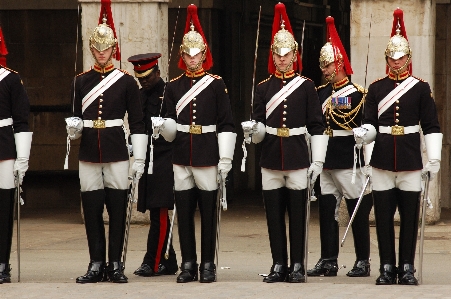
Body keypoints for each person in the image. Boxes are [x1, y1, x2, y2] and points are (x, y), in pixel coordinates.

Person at [353, 8, 442, 285]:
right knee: (382, 218)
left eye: (400, 57)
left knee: (409, 217)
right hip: (381, 160)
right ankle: (387, 267)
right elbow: (370, 123)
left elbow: (431, 125)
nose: (395, 61)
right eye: (391, 57)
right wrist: (363, 135)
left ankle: (407, 267)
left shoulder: (420, 88)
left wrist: (434, 158)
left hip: (410, 160)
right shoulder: (376, 88)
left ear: (409, 57)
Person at [246, 2, 328, 283]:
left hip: (296, 156)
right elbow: (258, 127)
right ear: (273, 56)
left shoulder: (306, 86)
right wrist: (253, 130)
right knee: (273, 217)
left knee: (297, 214)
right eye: (278, 55)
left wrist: (317, 160)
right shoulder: (262, 88)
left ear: (295, 55)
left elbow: (317, 125)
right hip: (270, 157)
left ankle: (297, 264)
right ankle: (278, 263)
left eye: (287, 54)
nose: (282, 59)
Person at [66, 1, 147, 283]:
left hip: (115, 150)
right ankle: (95, 263)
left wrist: (139, 158)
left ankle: (115, 264)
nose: (101, 54)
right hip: (88, 150)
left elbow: (136, 122)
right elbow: (75, 117)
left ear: (114, 49)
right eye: (97, 50)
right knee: (91, 209)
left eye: (106, 49)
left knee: (117, 209)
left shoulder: (126, 82)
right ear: (92, 50)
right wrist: (73, 129)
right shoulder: (81, 81)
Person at [158, 4, 236, 283]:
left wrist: (225, 157)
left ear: (204, 54)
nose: (192, 59)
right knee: (184, 211)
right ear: (182, 56)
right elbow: (169, 125)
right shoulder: (173, 86)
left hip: (206, 152)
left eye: (197, 54)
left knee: (208, 212)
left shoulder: (215, 84)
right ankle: (188, 264)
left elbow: (226, 122)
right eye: (188, 55)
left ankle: (207, 264)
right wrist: (162, 126)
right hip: (181, 154)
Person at [307, 16, 373, 278]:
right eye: (323, 65)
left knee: (356, 211)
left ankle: (362, 261)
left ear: (341, 63)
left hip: (349, 159)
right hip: (326, 158)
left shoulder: (358, 93)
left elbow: (366, 127)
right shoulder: (320, 92)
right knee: (326, 211)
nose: (325, 69)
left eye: (329, 64)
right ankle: (328, 259)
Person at [127, 53, 178, 277]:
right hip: (145, 158)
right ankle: (169, 260)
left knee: (160, 211)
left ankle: (153, 261)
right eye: (140, 77)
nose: (144, 81)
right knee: (154, 210)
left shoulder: (169, 93)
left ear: (157, 72)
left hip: (165, 157)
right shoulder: (138, 95)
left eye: (147, 76)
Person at [0, 45, 33, 284]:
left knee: (3, 209)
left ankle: (2, 262)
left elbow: (21, 119)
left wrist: (22, 157)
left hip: (3, 148)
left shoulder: (11, 79)